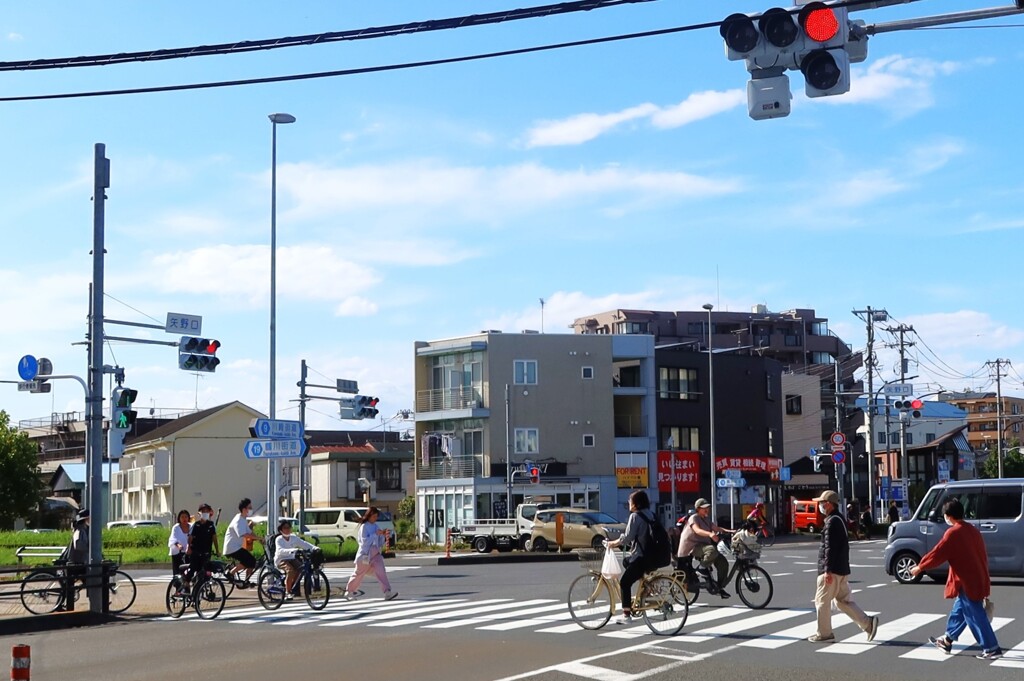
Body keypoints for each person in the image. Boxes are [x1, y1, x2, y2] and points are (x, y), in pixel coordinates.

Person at [912, 499, 1002, 660]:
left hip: (967, 580)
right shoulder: (972, 530)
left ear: (948, 516)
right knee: (960, 610)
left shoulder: (953, 533)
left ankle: (991, 647)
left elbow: (937, 553)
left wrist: (919, 567)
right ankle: (947, 640)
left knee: (975, 615)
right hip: (977, 577)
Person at [808, 490, 878, 643]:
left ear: (828, 504)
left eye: (821, 502)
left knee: (821, 601)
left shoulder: (832, 521)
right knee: (842, 601)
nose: (819, 505)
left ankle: (824, 633)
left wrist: (827, 570)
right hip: (841, 569)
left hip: (832, 571)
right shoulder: (839, 519)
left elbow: (829, 548)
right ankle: (868, 623)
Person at [605, 490, 658, 623]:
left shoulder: (635, 516)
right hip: (653, 556)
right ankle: (646, 588)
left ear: (635, 503)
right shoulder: (652, 514)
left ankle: (626, 614)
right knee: (626, 561)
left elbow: (628, 538)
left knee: (624, 583)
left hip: (641, 556)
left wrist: (613, 543)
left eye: (630, 501)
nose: (629, 503)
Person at [677, 497, 733, 598]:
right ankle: (701, 569)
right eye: (704, 508)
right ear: (698, 509)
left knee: (723, 563)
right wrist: (710, 534)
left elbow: (717, 528)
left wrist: (731, 531)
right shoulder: (694, 518)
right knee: (712, 550)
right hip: (692, 547)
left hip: (703, 546)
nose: (707, 509)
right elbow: (697, 530)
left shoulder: (707, 520)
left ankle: (719, 587)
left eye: (708, 507)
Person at [343, 506, 397, 601]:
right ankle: (349, 591)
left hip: (375, 554)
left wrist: (382, 536)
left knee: (381, 572)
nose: (375, 518)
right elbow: (364, 542)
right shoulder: (364, 527)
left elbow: (379, 542)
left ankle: (387, 592)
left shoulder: (376, 526)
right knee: (358, 573)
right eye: (374, 516)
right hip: (365, 554)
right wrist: (375, 534)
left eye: (376, 516)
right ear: (369, 516)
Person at [274, 519, 318, 600]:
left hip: (291, 558)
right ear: (280, 530)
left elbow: (304, 544)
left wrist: (314, 548)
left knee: (301, 568)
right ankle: (287, 592)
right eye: (285, 528)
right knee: (290, 571)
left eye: (289, 527)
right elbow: (280, 550)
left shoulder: (293, 537)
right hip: (281, 559)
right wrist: (294, 550)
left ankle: (290, 584)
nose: (287, 530)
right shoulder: (279, 539)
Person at [223, 498, 262, 587]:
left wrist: (260, 539)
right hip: (232, 548)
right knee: (250, 560)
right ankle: (231, 573)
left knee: (251, 562)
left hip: (236, 547)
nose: (251, 509)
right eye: (250, 507)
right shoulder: (238, 520)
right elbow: (244, 534)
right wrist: (257, 538)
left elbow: (249, 532)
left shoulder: (243, 519)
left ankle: (246, 581)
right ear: (244, 509)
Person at [184, 503, 218, 588]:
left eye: (207, 511)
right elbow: (190, 537)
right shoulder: (196, 525)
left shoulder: (211, 525)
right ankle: (186, 583)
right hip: (196, 551)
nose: (205, 513)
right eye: (203, 511)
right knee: (193, 568)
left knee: (205, 570)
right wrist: (189, 548)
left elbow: (214, 538)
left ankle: (200, 590)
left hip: (206, 552)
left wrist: (217, 550)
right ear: (199, 513)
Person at [168, 509, 191, 575]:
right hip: (178, 552)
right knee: (178, 571)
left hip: (189, 551)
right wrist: (178, 545)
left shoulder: (191, 526)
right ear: (179, 518)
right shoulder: (176, 527)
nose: (184, 519)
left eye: (186, 517)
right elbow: (173, 539)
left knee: (189, 570)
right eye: (182, 517)